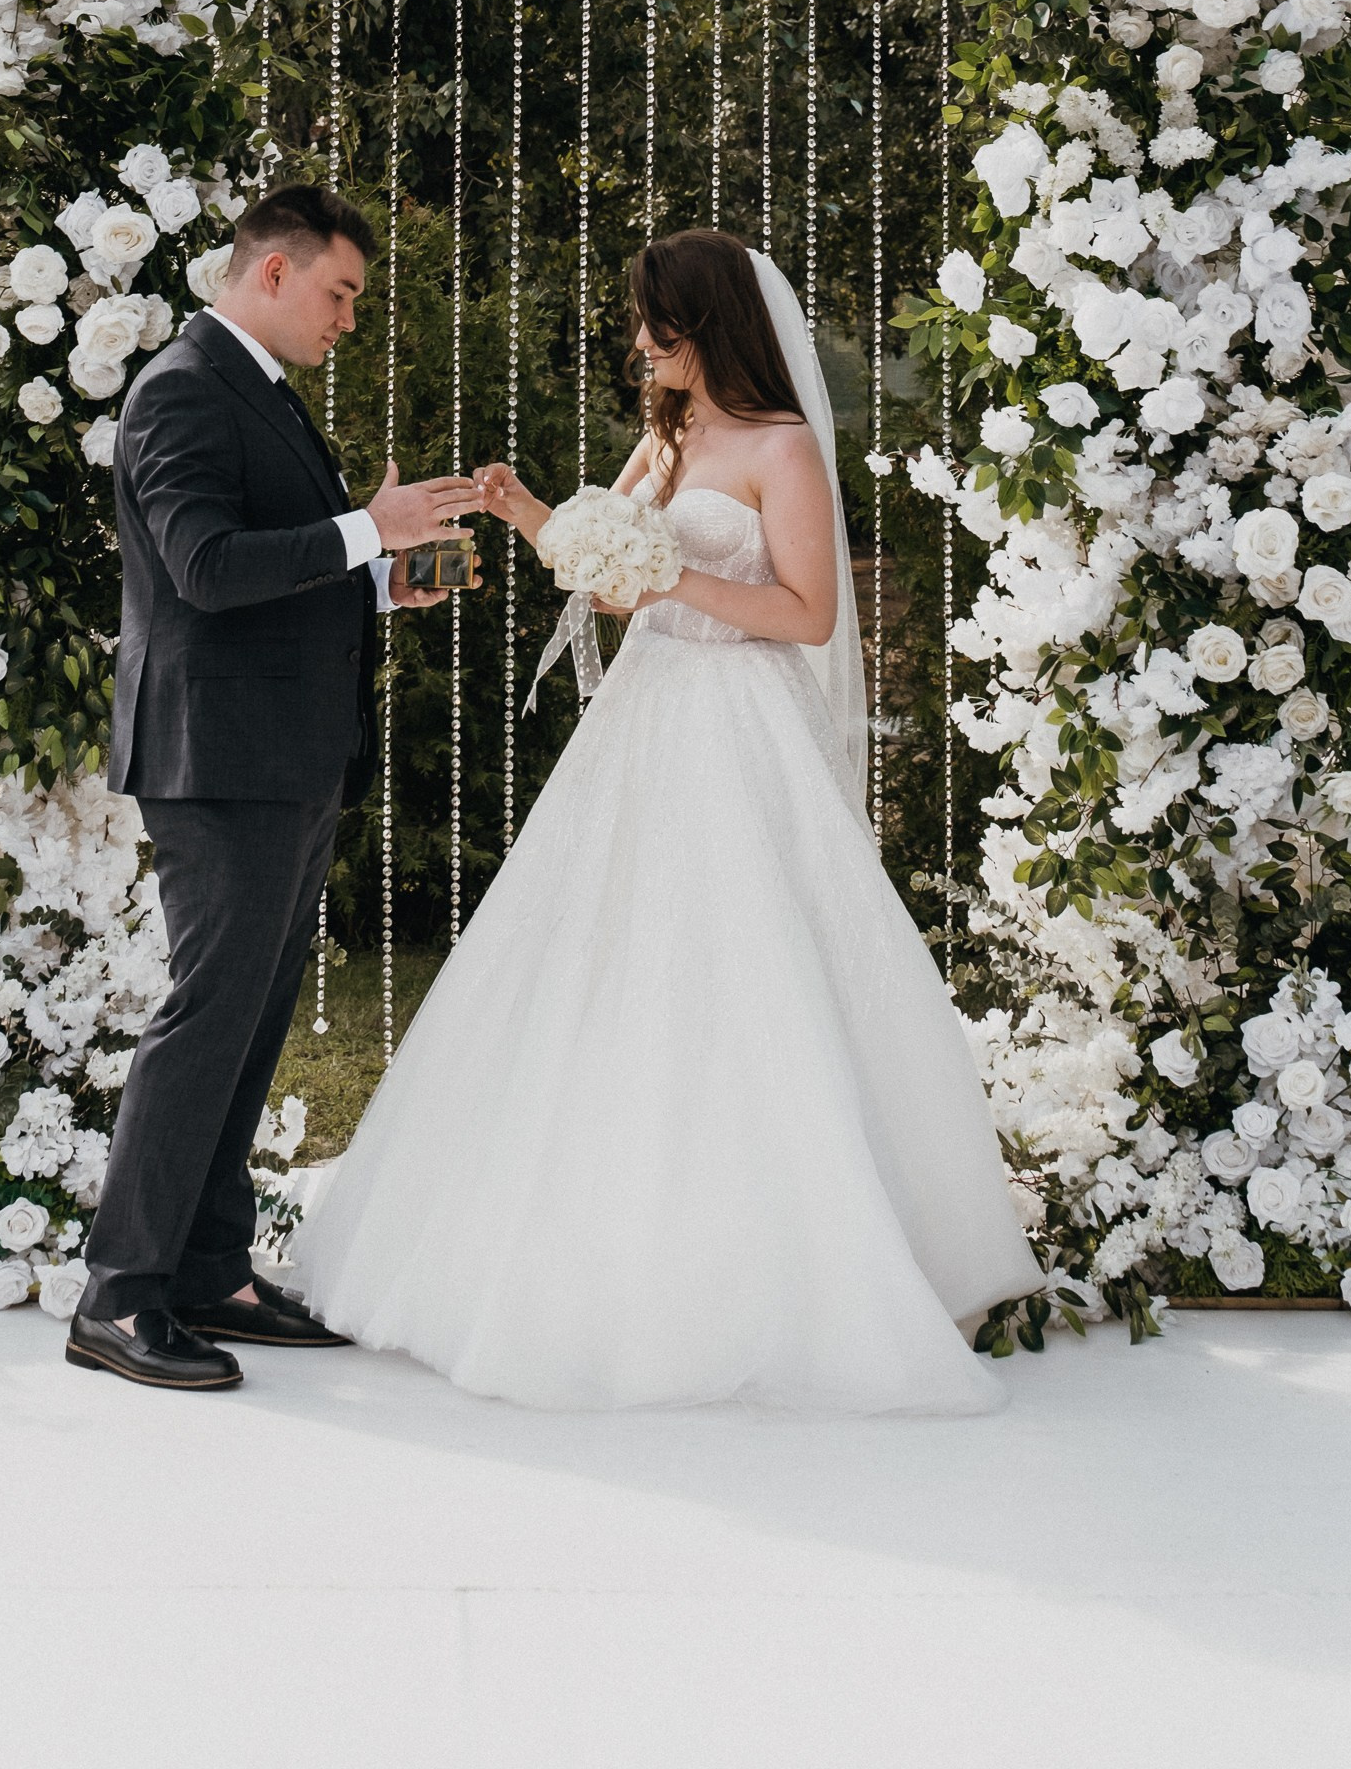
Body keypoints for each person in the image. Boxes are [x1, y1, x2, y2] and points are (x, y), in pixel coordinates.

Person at [291, 227, 1042, 1412]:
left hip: (737, 720)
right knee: (603, 957)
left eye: (657, 322)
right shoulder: (671, 431)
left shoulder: (781, 446)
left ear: (707, 324)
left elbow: (806, 613)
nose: (640, 340)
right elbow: (603, 574)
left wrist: (671, 581)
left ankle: (795, 1255)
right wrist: (526, 510)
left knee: (749, 964)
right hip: (646, 712)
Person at [65, 184, 475, 1393]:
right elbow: (201, 566)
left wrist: (384, 578)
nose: (348, 317)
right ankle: (117, 1295)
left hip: (282, 754)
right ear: (274, 272)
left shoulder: (260, 390)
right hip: (218, 759)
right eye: (339, 292)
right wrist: (366, 529)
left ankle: (206, 1268)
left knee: (247, 1023)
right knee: (207, 1019)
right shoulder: (182, 389)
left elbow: (273, 565)